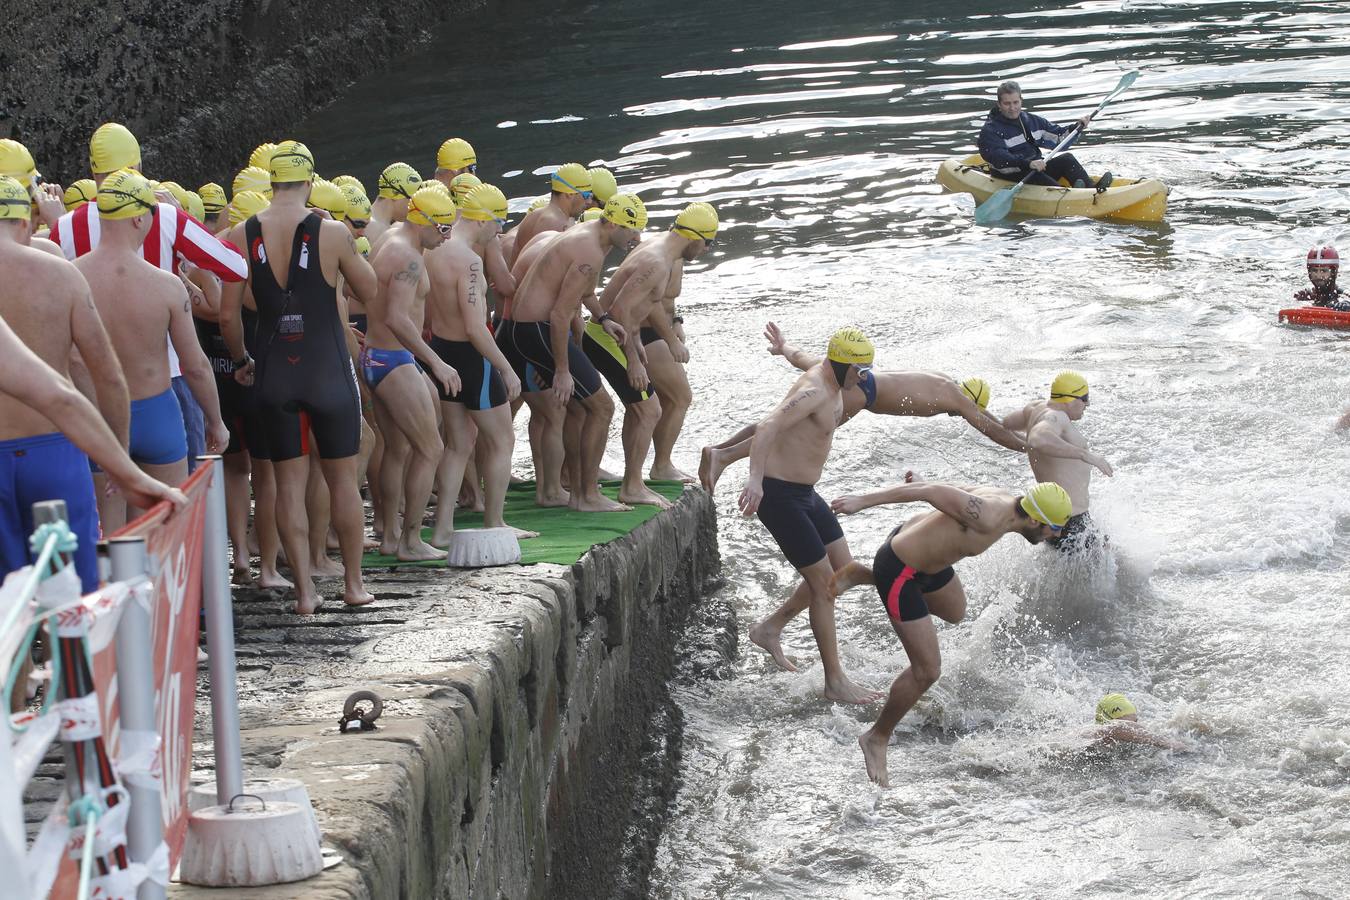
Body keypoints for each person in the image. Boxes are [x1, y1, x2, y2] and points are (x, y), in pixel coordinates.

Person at [0, 175, 184, 589]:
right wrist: (121, 464)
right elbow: (93, 380)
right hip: (54, 449)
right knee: (74, 600)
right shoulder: (59, 275)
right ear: (27, 224)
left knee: (6, 616)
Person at [829, 480, 1074, 786]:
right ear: (1036, 519)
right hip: (901, 571)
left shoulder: (1004, 501)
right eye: (1055, 527)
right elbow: (930, 491)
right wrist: (862, 499)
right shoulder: (989, 514)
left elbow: (949, 489)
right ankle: (876, 737)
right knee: (927, 671)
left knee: (955, 611)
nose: (1058, 535)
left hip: (929, 565)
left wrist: (917, 477)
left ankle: (863, 575)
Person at [219, 140, 376, 613]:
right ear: (310, 182)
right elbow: (369, 292)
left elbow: (229, 317)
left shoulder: (238, 235)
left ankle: (305, 593)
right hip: (327, 368)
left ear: (271, 182)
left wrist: (244, 360)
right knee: (343, 480)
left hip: (272, 371)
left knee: (286, 483)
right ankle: (353, 586)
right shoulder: (331, 233)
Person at [48, 123, 249, 477]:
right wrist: (183, 260)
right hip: (165, 383)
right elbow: (235, 266)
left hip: (95, 390)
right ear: (138, 169)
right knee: (174, 511)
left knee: (112, 518)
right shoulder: (164, 215)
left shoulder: (63, 228)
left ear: (93, 173)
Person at [74, 170, 228, 529]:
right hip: (158, 413)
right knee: (164, 531)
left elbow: (70, 360)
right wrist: (216, 422)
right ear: (140, 217)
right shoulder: (167, 286)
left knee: (110, 539)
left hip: (100, 418)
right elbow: (196, 366)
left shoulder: (71, 277)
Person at [701, 322, 1027, 491]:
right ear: (968, 401)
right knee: (788, 428)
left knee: (782, 418)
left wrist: (785, 346)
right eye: (968, 410)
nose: (964, 415)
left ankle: (718, 452)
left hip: (864, 379)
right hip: (862, 393)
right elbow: (991, 428)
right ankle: (724, 457)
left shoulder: (945, 383)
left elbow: (990, 418)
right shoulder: (954, 398)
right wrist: (1027, 449)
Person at [738, 328, 882, 706]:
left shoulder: (830, 375)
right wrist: (755, 482)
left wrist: (784, 346)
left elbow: (803, 355)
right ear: (841, 363)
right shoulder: (816, 392)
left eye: (867, 370)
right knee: (824, 587)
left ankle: (770, 628)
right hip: (780, 496)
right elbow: (768, 426)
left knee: (843, 571)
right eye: (860, 370)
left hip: (805, 494)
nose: (863, 377)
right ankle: (835, 682)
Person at [496, 194, 642, 512]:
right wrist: (560, 369)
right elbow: (562, 314)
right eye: (633, 230)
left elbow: (583, 291)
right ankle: (586, 496)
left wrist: (603, 318)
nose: (637, 238)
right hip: (538, 330)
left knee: (577, 410)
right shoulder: (589, 250)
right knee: (602, 408)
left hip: (524, 330)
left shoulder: (585, 236)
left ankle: (574, 490)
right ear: (613, 223)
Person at [423, 183, 534, 544]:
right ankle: (495, 522)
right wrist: (504, 366)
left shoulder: (434, 249)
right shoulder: (469, 262)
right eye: (498, 222)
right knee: (501, 440)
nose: (500, 230)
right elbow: (475, 327)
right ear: (482, 218)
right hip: (473, 358)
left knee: (457, 444)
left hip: (442, 350)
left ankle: (442, 529)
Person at [587, 201, 714, 503]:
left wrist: (640, 345)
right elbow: (620, 311)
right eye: (709, 243)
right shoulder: (658, 262)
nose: (708, 249)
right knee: (651, 409)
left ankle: (633, 482)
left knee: (642, 408)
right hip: (605, 337)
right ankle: (632, 486)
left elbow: (636, 305)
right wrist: (633, 359)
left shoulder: (663, 251)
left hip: (612, 335)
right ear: (695, 237)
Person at [363, 185, 460, 560]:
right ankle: (411, 541)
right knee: (430, 447)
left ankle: (389, 535)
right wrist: (434, 362)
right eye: (444, 229)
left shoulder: (389, 239)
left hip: (376, 356)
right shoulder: (408, 258)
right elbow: (397, 318)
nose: (447, 236)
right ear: (425, 223)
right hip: (393, 360)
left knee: (398, 448)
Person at [1003, 371, 1112, 554]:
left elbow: (1007, 423)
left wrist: (1028, 446)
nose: (1087, 404)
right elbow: (1038, 438)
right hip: (1070, 521)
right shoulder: (1057, 417)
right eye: (1084, 398)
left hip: (1050, 516)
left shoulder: (1035, 409)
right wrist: (1085, 455)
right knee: (1114, 566)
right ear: (1069, 399)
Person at [977, 80, 1109, 190]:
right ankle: (1071, 195)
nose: (1012, 108)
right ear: (999, 104)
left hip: (1035, 168)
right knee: (1037, 177)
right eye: (1007, 103)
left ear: (1021, 101)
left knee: (1067, 159)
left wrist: (1076, 127)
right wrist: (1028, 163)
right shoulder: (990, 130)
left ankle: (1090, 188)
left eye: (1015, 102)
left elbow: (1059, 139)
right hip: (1010, 175)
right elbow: (999, 158)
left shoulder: (1031, 121)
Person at [504, 163, 591, 267]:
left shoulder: (534, 215)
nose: (589, 201)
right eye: (586, 195)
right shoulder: (555, 224)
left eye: (591, 195)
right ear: (569, 194)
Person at [1090, 693, 1191, 751]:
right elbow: (1118, 728)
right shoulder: (1093, 735)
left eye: (1135, 722)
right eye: (1131, 724)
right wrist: (1168, 743)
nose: (1135, 728)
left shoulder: (1123, 743)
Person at [368, 161, 421, 245]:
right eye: (412, 201)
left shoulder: (373, 223)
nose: (413, 208)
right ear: (395, 194)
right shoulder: (375, 229)